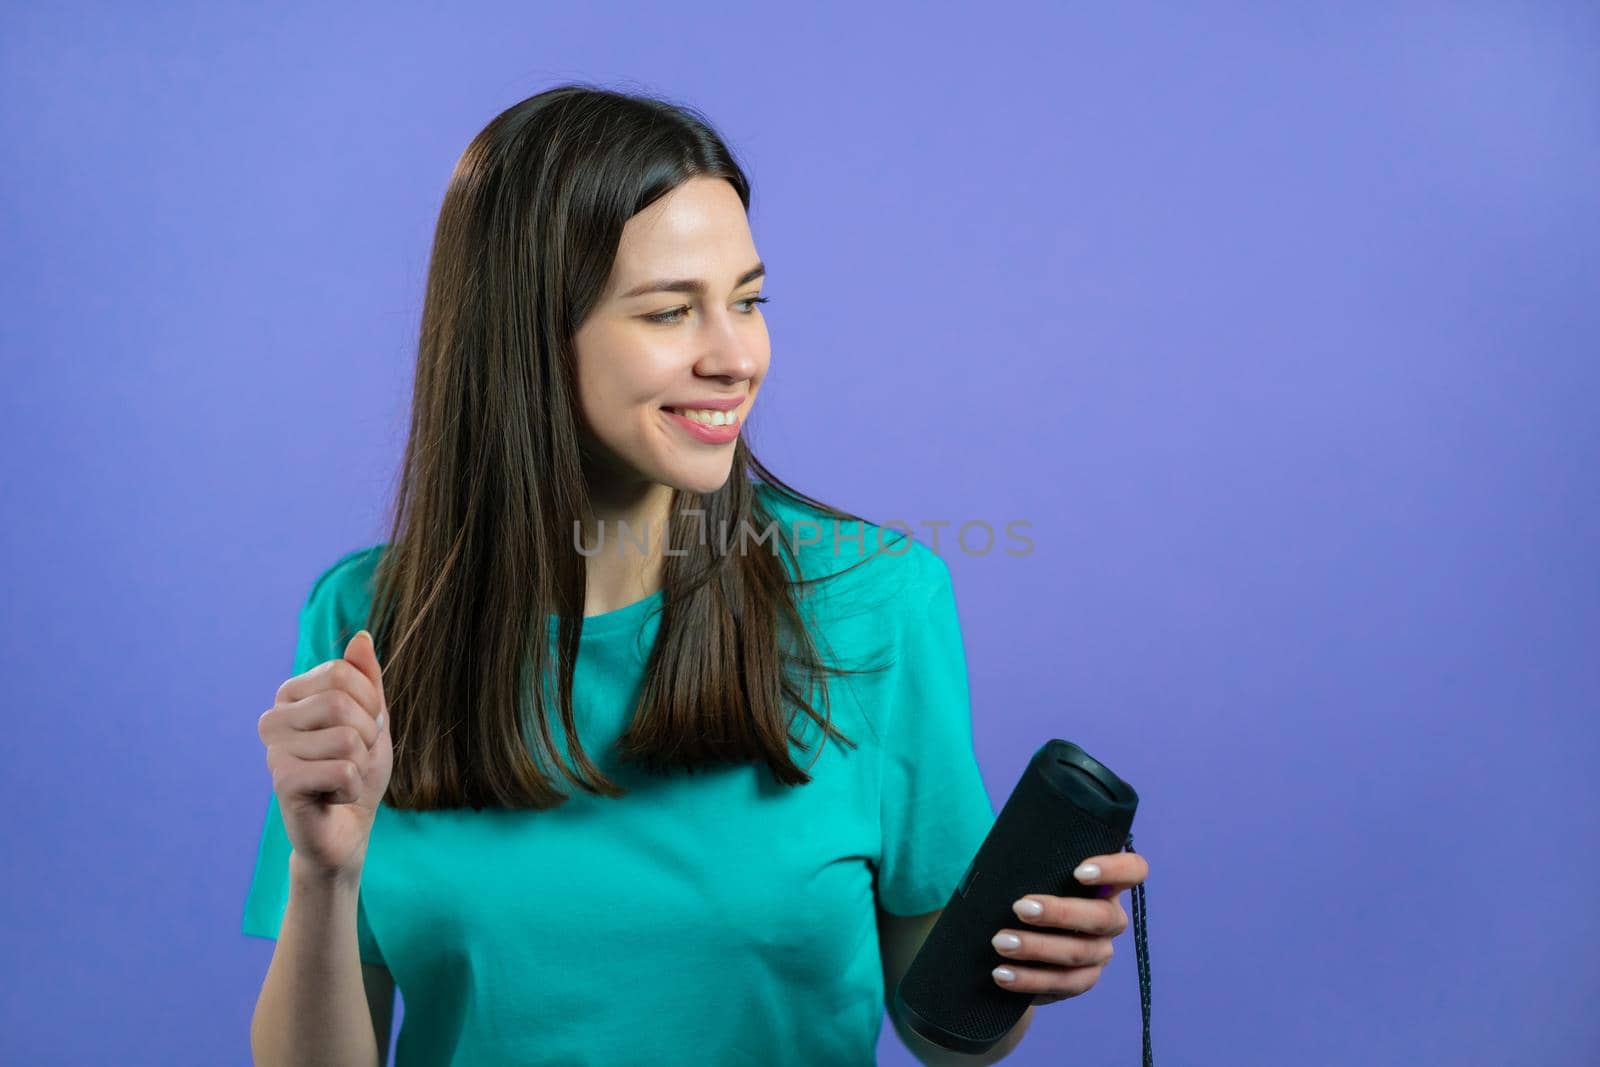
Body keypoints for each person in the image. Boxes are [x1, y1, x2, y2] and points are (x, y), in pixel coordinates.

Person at [244, 83, 1145, 1067]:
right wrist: (322, 875)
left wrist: (1014, 961)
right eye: (672, 311)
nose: (736, 356)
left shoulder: (876, 601)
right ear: (529, 337)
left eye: (749, 300)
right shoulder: (368, 617)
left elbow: (952, 1038)